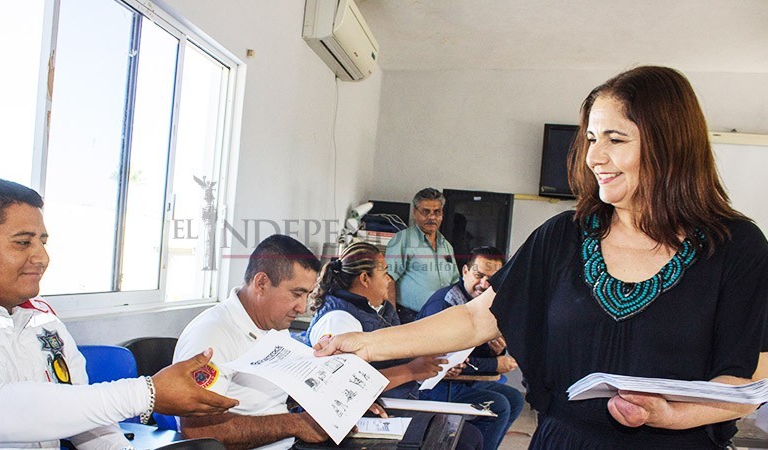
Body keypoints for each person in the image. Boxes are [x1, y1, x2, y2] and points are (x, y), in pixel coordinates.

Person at [315, 66, 768, 449]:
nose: (594, 157)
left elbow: (749, 376)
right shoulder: (563, 236)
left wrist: (672, 415)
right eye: (591, 138)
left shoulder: (735, 247)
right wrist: (367, 344)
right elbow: (477, 318)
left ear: (671, 144)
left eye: (615, 139)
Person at [0, 179, 238, 449]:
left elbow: (87, 422)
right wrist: (148, 393)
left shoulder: (40, 317)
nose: (41, 258)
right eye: (23, 243)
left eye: (42, 242)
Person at [307, 242, 487, 450]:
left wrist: (433, 362)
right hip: (371, 412)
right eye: (384, 273)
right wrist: (411, 370)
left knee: (465, 433)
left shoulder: (376, 309)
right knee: (463, 438)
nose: (389, 280)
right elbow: (346, 387)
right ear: (364, 279)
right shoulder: (339, 320)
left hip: (400, 397)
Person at [174, 235, 337, 449]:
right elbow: (199, 431)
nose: (302, 307)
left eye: (307, 295)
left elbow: (273, 394)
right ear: (261, 284)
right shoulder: (212, 334)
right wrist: (295, 424)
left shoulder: (274, 325)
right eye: (296, 294)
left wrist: (338, 400)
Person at [416, 246, 524, 449]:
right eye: (478, 275)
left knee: (515, 399)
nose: (484, 284)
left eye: (492, 279)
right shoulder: (445, 304)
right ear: (465, 271)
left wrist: (496, 351)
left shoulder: (485, 303)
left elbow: (474, 352)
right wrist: (494, 364)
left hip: (464, 380)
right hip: (432, 385)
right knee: (499, 406)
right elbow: (443, 362)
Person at [385, 188, 459, 323]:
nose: (432, 217)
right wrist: (392, 318)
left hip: (439, 319)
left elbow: (455, 283)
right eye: (426, 212)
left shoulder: (446, 246)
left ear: (442, 214)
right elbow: (388, 279)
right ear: (415, 212)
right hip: (409, 317)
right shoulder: (403, 240)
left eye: (437, 212)